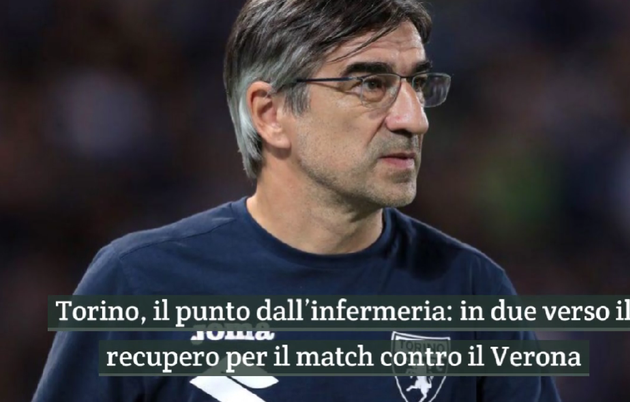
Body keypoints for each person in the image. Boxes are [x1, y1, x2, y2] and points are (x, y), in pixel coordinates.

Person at [33, 0, 562, 401]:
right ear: (270, 114)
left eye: (418, 83)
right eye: (370, 84)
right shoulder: (139, 283)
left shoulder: (472, 290)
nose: (414, 119)